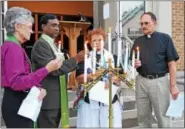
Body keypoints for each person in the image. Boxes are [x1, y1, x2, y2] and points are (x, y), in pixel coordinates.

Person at [1, 7, 63, 128]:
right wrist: (47, 69)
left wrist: (37, 87)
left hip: (18, 101)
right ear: (18, 27)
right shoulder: (13, 48)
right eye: (29, 27)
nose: (32, 31)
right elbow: (17, 82)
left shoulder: (13, 46)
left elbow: (23, 76)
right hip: (17, 103)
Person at [31, 14, 85, 128]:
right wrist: (76, 59)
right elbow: (54, 70)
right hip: (48, 100)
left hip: (56, 98)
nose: (57, 28)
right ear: (44, 27)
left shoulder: (52, 44)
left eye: (58, 25)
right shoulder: (41, 45)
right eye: (53, 25)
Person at [130, 12, 179, 128]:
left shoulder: (165, 39)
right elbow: (131, 62)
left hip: (159, 81)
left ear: (155, 23)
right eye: (142, 24)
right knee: (142, 117)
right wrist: (134, 63)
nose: (143, 26)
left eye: (146, 23)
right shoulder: (138, 41)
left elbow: (172, 64)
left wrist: (173, 85)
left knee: (163, 116)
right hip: (141, 81)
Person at [75, 28, 123, 127]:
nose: (97, 42)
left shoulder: (112, 57)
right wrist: (93, 75)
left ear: (104, 41)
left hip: (109, 96)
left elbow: (121, 75)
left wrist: (112, 79)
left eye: (100, 40)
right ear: (90, 43)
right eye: (94, 40)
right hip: (90, 97)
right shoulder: (85, 57)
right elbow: (79, 77)